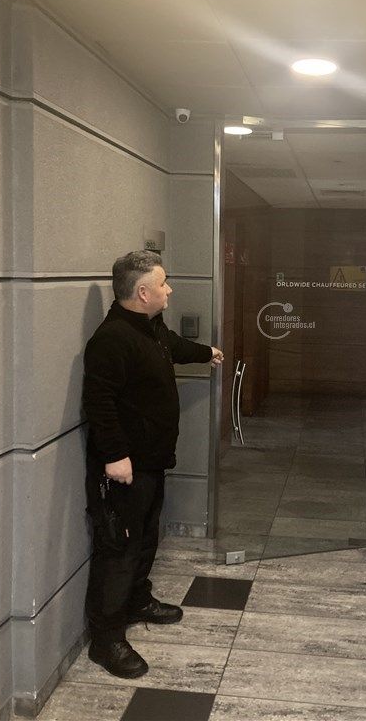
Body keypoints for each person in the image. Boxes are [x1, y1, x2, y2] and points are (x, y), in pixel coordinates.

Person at [82, 250, 223, 678]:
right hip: (124, 469)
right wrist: (114, 456)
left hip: (152, 461)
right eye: (163, 284)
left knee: (145, 538)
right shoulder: (112, 339)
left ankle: (137, 601)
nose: (169, 290)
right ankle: (106, 640)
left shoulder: (150, 327)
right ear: (143, 293)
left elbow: (174, 347)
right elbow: (99, 403)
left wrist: (206, 352)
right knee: (118, 550)